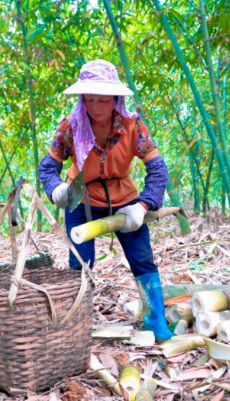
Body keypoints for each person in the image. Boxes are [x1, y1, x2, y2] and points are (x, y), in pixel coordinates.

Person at [38, 59, 174, 342]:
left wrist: (144, 204)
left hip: (125, 201)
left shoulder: (132, 125)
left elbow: (158, 168)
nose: (97, 106)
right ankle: (78, 325)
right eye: (89, 99)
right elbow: (47, 168)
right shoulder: (69, 127)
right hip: (81, 201)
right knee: (80, 266)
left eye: (104, 99)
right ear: (81, 98)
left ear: (115, 99)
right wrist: (56, 190)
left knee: (143, 261)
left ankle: (156, 321)